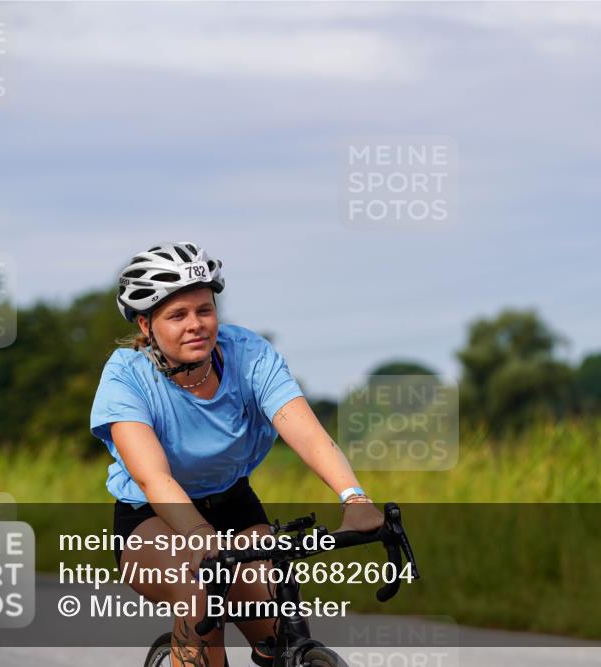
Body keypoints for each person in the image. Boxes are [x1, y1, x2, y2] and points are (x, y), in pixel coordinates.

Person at [90, 242, 382, 667]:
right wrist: (195, 532)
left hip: (234, 504)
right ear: (146, 324)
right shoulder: (125, 376)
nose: (196, 325)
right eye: (177, 315)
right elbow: (155, 478)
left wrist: (354, 497)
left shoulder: (249, 354)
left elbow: (307, 434)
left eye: (204, 310)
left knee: (281, 629)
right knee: (198, 593)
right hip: (153, 517)